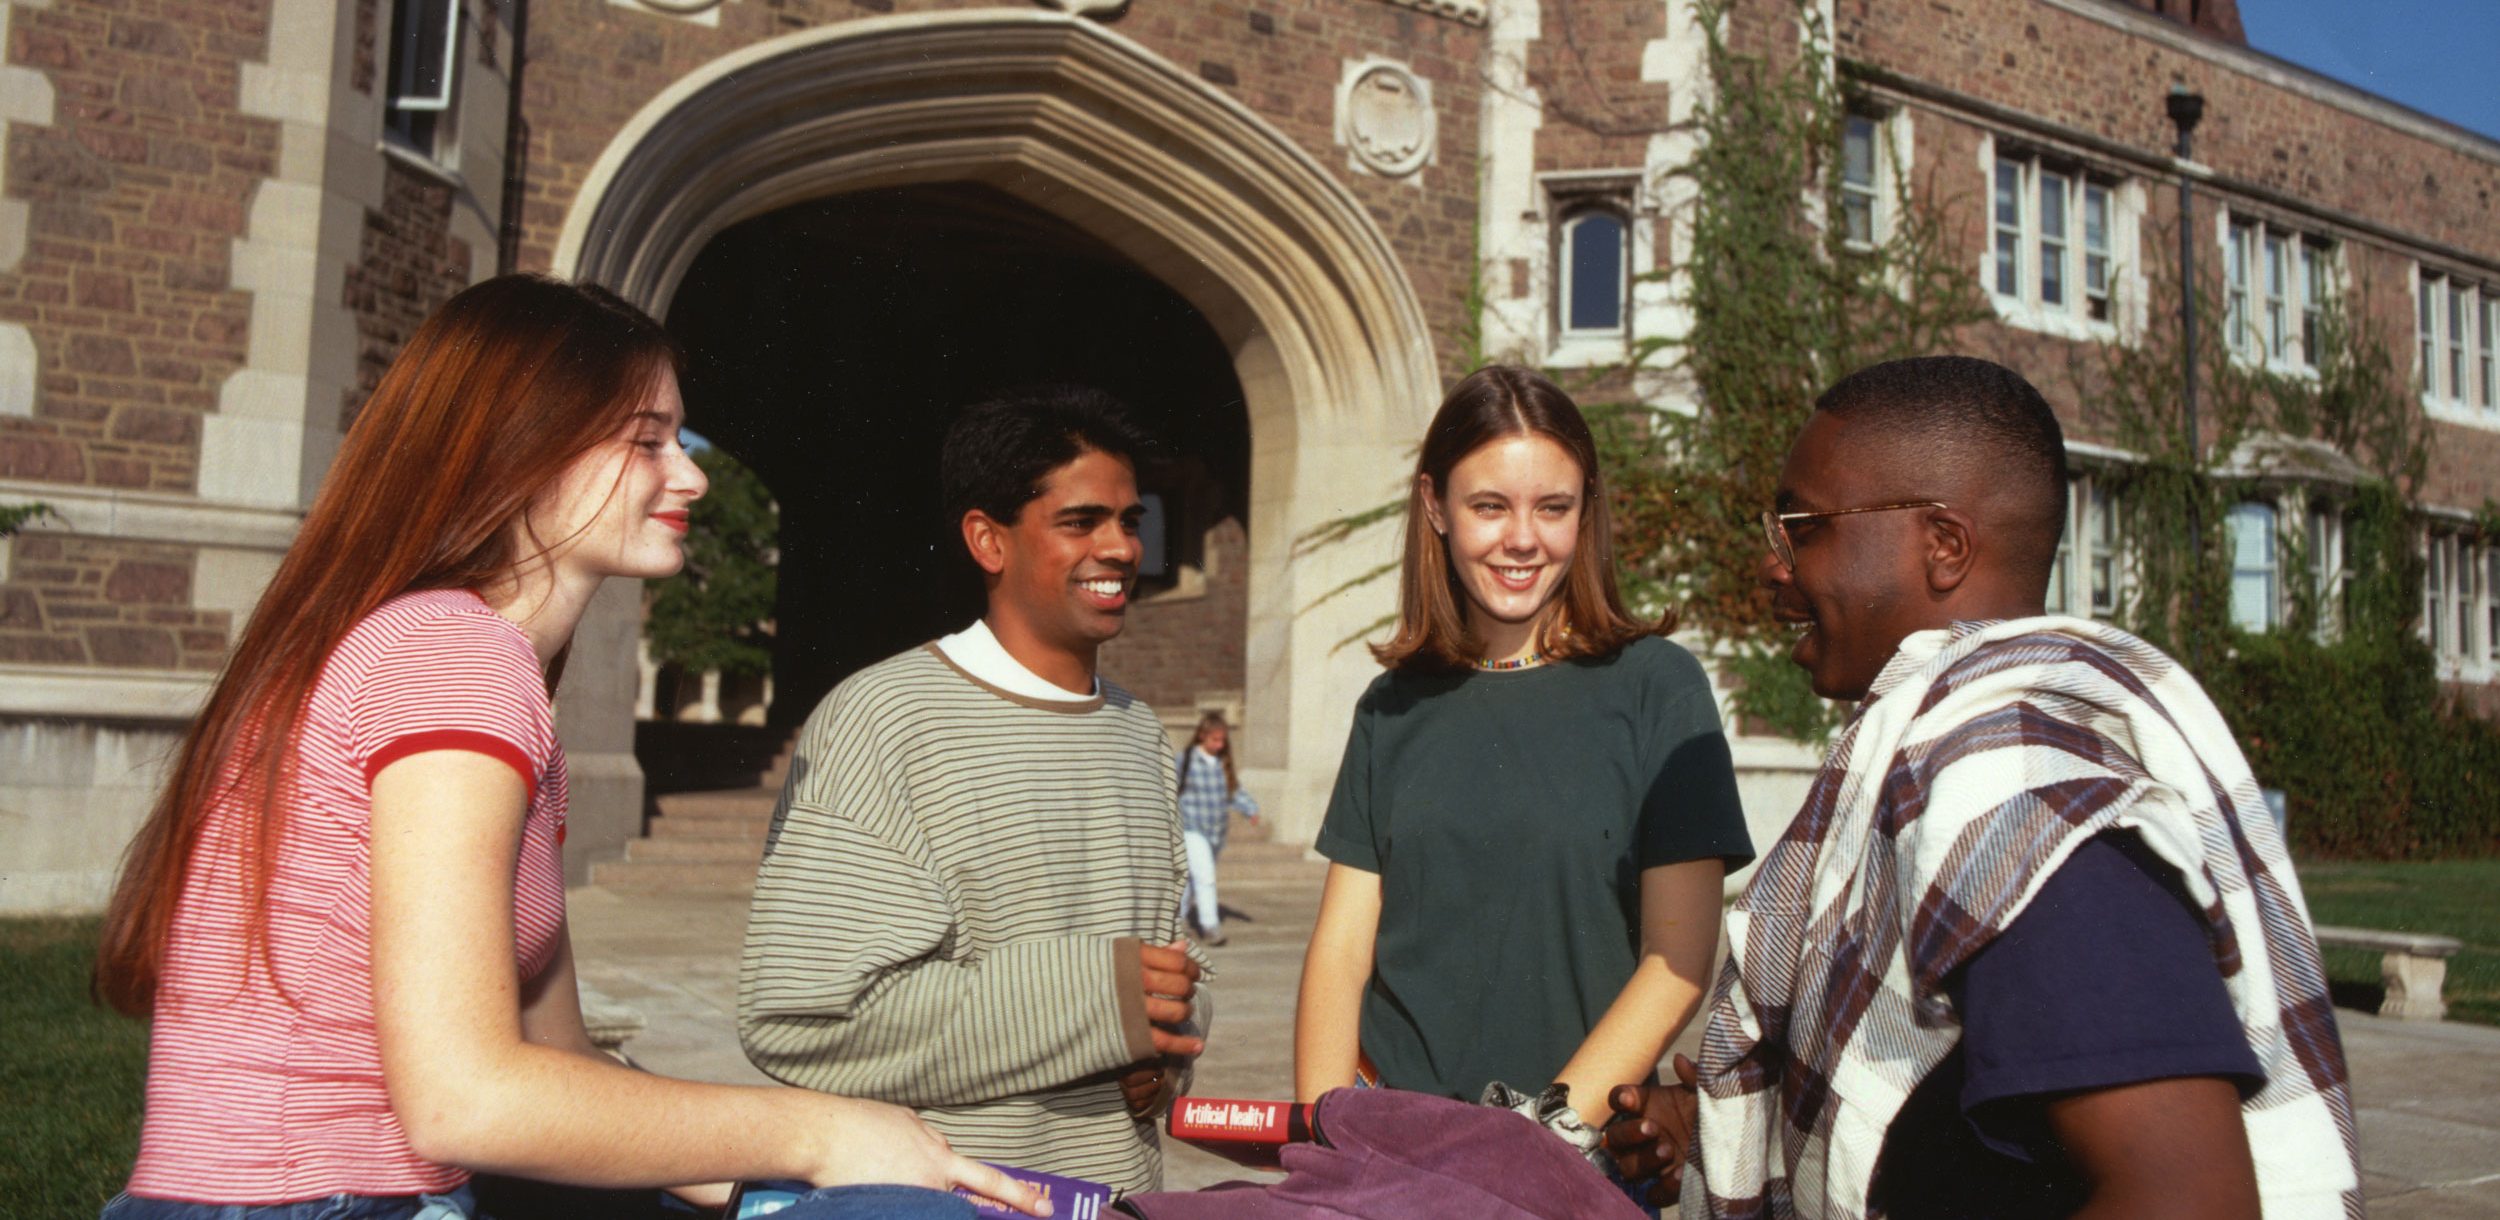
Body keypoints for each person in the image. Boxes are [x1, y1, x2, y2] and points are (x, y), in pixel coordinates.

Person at [90, 275, 1044, 1220]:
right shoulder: (455, 658)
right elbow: (466, 1102)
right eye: (646, 442)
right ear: (522, 452)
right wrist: (819, 1132)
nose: (693, 475)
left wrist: (794, 1183)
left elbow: (558, 1067)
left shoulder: (454, 660)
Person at [1604, 355, 2362, 1218]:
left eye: (1802, 526)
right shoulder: (1953, 762)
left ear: (1944, 546)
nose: (1773, 567)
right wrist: (1723, 1126)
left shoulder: (2015, 788)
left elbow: (2190, 1198)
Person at [738, 386, 1210, 1198]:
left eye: (1131, 521)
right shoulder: (883, 719)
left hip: (1124, 1194)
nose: (1122, 548)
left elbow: (1155, 966)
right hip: (946, 1201)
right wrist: (1101, 1001)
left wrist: (1167, 1045)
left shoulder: (1141, 733)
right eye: (1081, 521)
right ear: (988, 541)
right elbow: (800, 1018)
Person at [1291, 365, 1753, 1181]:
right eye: (1489, 506)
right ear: (1435, 506)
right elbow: (1341, 951)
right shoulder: (1390, 706)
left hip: (1570, 1168)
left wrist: (1543, 1138)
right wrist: (1328, 1143)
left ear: (1587, 510)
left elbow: (1680, 954)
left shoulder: (1658, 688)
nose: (1522, 539)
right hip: (1394, 1166)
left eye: (1553, 507)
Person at [1175, 712, 1260, 947]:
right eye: (1215, 740)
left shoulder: (1223, 763)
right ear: (1202, 736)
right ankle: (1210, 926)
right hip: (1191, 827)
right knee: (1205, 876)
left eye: (1222, 741)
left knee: (1191, 879)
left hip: (1215, 833)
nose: (1219, 745)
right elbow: (1166, 783)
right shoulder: (1187, 759)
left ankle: (1176, 921)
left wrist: (1250, 809)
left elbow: (1233, 792)